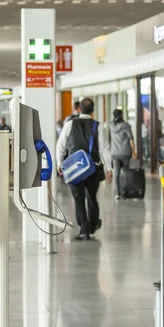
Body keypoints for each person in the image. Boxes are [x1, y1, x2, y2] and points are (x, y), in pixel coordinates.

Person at [57, 98, 113, 240]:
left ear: (78, 109)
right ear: (93, 111)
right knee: (92, 197)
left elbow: (61, 146)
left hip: (74, 169)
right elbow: (104, 149)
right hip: (92, 168)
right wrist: (109, 168)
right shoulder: (98, 126)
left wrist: (59, 163)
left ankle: (83, 230)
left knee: (78, 198)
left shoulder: (69, 124)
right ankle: (93, 225)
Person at [110, 108, 137, 199]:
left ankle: (117, 193)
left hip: (115, 153)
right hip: (125, 152)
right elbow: (131, 140)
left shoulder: (111, 126)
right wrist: (134, 152)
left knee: (116, 174)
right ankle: (125, 192)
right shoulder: (126, 126)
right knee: (125, 173)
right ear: (121, 115)